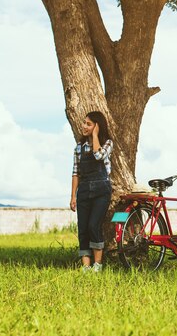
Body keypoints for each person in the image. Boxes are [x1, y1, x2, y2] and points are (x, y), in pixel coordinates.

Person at [70, 111, 113, 273]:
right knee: (83, 229)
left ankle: (98, 265)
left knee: (93, 226)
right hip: (84, 191)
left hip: (102, 191)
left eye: (89, 124)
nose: (84, 126)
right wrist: (73, 196)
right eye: (84, 123)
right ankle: (86, 267)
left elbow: (98, 155)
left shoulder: (108, 143)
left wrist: (95, 136)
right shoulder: (78, 148)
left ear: (97, 127)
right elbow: (76, 173)